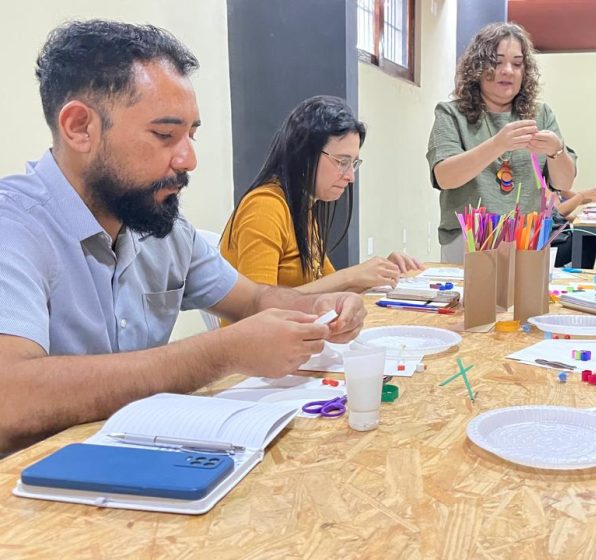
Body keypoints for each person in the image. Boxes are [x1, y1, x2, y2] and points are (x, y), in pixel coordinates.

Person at [0, 21, 365, 453]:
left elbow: (252, 299)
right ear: (80, 127)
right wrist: (221, 353)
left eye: (191, 134)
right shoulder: (15, 227)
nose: (189, 159)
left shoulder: (162, 225)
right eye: (164, 135)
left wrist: (316, 307)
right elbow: (11, 398)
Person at [220, 96, 422, 297]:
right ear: (304, 155)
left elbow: (329, 285)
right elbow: (255, 309)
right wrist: (351, 276)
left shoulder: (303, 207)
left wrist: (381, 273)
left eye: (354, 164)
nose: (351, 177)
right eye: (342, 162)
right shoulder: (265, 208)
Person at [427, 22, 577, 264]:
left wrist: (556, 150)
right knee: (472, 302)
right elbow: (445, 177)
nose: (508, 70)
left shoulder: (541, 115)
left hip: (528, 240)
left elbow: (564, 182)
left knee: (528, 301)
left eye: (517, 64)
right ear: (477, 67)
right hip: (468, 241)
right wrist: (498, 144)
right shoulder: (451, 114)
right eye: (497, 62)